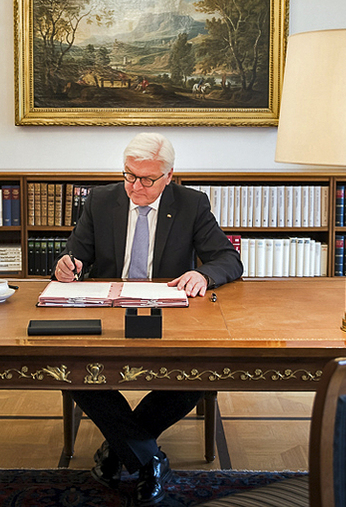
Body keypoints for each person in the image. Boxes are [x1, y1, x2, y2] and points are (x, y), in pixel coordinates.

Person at [53, 132, 243, 506]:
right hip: (108, 310)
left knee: (193, 377)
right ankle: (149, 459)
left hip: (169, 312)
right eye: (128, 175)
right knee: (74, 369)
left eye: (146, 179)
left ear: (169, 176)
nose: (135, 186)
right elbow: (78, 253)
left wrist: (203, 275)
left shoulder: (191, 204)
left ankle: (119, 451)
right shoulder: (102, 200)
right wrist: (68, 264)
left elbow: (229, 259)